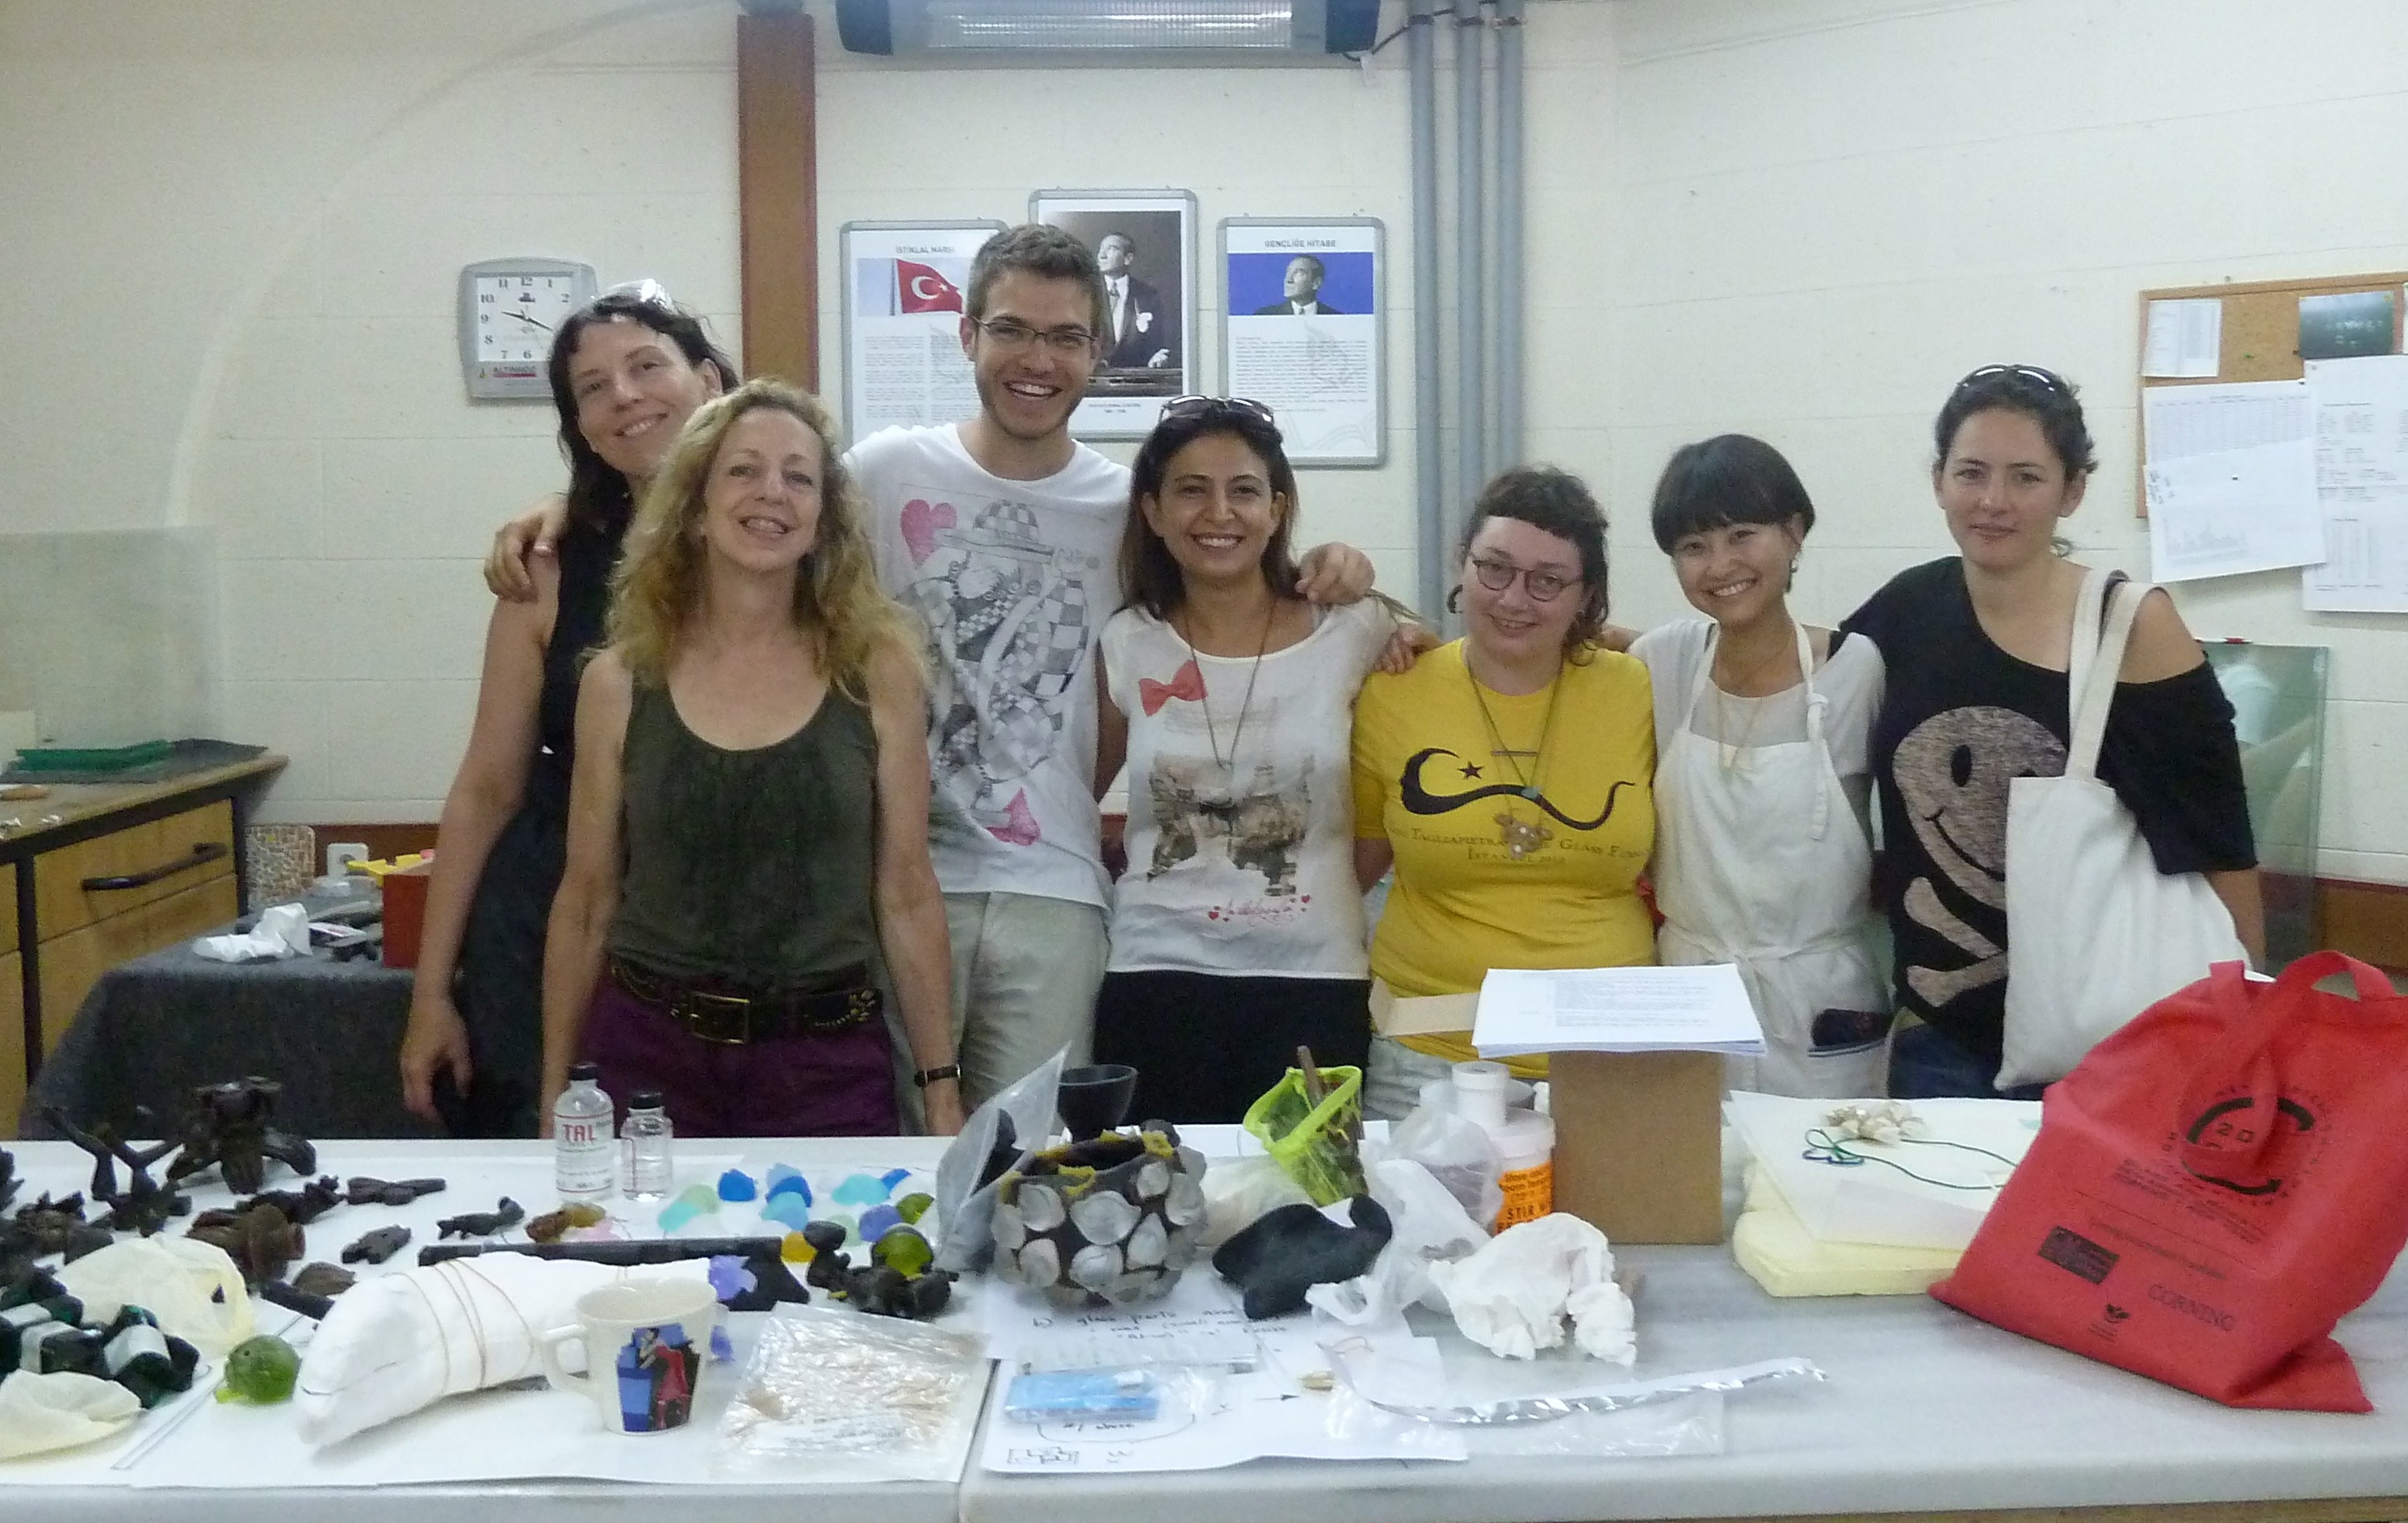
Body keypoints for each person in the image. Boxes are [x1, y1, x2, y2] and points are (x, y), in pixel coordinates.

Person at [489, 224, 1376, 1115]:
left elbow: (1233, 573)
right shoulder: (886, 470)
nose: (1037, 359)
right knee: (915, 1149)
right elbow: (749, 491)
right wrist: (572, 505)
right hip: (903, 889)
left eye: (1066, 336)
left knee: (1035, 1156)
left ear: (1098, 353)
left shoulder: (1123, 510)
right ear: (968, 334)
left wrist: (1337, 569)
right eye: (1012, 329)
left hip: (1055, 890)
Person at [539, 380, 963, 1138]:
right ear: (694, 507)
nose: (772, 492)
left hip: (827, 1064)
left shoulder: (878, 672)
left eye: (799, 477)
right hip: (650, 1059)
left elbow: (905, 893)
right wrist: (555, 1095)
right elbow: (587, 901)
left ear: (823, 520)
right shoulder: (618, 682)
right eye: (743, 470)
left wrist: (940, 1093)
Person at [1842, 364, 2262, 1099]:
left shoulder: (2133, 628)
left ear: (2072, 491)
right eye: (1971, 473)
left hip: (2104, 1043)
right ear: (1939, 481)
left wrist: (2248, 1032)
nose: (1993, 501)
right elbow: (1800, 672)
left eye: (2026, 477)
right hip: (1941, 1038)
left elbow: (2220, 846)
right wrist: (1634, 649)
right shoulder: (1908, 609)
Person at [396, 287, 732, 1136]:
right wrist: (431, 992)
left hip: (718, 916)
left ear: (709, 380)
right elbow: (485, 789)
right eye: (592, 387)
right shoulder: (547, 564)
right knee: (550, 1157)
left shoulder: (789, 546)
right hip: (546, 910)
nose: (625, 395)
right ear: (580, 425)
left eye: (647, 366)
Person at [1089, 396, 1401, 1123]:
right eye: (1191, 490)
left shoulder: (1354, 630)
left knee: (1313, 1186)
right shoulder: (1128, 641)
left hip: (1314, 978)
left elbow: (1424, 744)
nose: (1219, 513)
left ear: (1277, 508)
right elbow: (1080, 792)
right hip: (1155, 976)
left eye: (1245, 490)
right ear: (1153, 511)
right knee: (1160, 1184)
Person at [1351, 467, 1657, 1121]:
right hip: (1428, 1055)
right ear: (1462, 566)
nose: (1515, 598)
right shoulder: (1391, 693)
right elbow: (1354, 866)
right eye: (1494, 569)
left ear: (1586, 595)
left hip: (1607, 1055)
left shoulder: (1639, 689)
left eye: (1548, 581)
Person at [1626, 435, 1890, 1097]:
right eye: (1693, 547)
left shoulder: (1856, 670)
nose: (1720, 565)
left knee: (1826, 1162)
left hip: (1822, 1002)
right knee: (1689, 1160)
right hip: (1688, 995)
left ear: (1794, 534)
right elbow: (1557, 652)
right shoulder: (1664, 661)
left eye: (1742, 535)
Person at [1097, 230, 1177, 371]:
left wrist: (1157, 356)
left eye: (1111, 249)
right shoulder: (1088, 291)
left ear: (1128, 259)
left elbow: (1158, 341)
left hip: (1134, 377)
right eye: (1101, 249)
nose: (1102, 255)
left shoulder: (1147, 295)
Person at [1253, 254, 1342, 316]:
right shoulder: (1265, 315)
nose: (1288, 280)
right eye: (1288, 272)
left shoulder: (1336, 318)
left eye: (1298, 273)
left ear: (1316, 283)